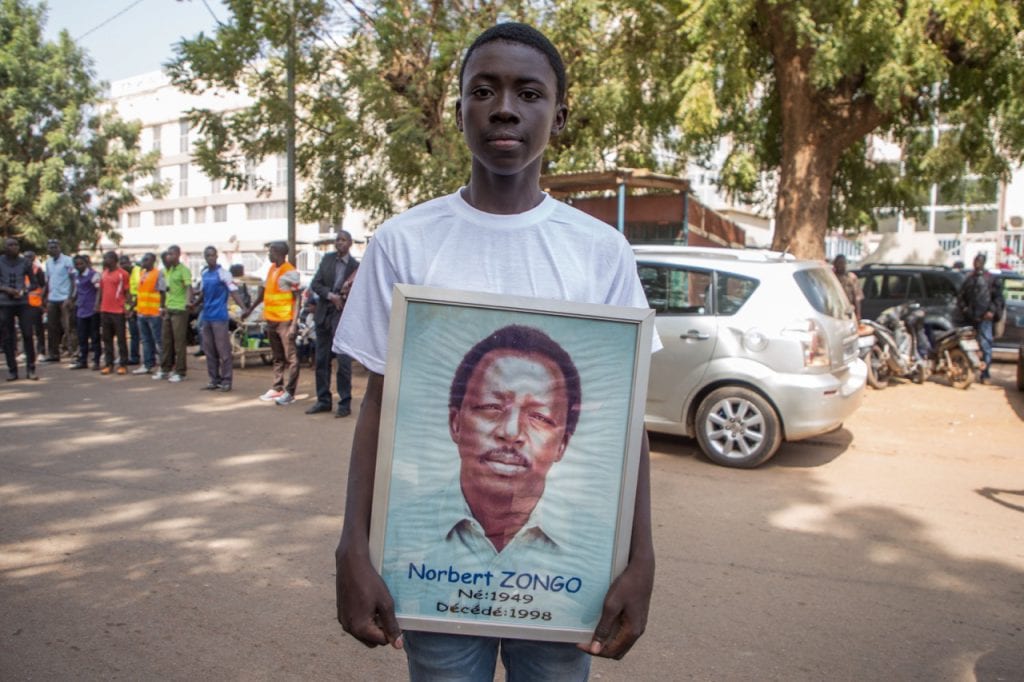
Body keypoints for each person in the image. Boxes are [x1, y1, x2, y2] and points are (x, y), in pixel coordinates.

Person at [332, 23, 657, 681]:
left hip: (568, 587)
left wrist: (641, 557)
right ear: (459, 111)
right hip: (432, 582)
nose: (504, 107)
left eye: (528, 92)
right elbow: (379, 409)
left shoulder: (600, 252)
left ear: (557, 113)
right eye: (483, 90)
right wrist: (353, 547)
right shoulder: (404, 243)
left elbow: (628, 427)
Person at [306, 231, 359, 417]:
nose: (339, 243)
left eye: (343, 240)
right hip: (323, 315)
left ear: (350, 243)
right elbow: (316, 284)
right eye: (337, 240)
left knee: (343, 362)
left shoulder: (356, 267)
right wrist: (331, 296)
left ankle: (344, 403)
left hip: (342, 318)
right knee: (321, 360)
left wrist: (343, 297)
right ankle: (323, 400)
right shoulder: (327, 260)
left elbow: (359, 293)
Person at [242, 241, 301, 405]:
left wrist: (294, 324)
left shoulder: (290, 271)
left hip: (285, 321)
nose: (269, 254)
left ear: (280, 253)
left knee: (292, 358)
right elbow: (264, 292)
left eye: (271, 251)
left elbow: (298, 298)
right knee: (277, 356)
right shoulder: (271, 269)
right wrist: (250, 308)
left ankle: (290, 392)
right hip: (271, 320)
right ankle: (277, 387)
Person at [193, 246, 246, 391]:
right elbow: (203, 293)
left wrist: (244, 308)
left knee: (223, 350)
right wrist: (194, 304)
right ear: (205, 257)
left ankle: (226, 380)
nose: (210, 258)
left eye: (212, 255)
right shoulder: (204, 274)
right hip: (207, 316)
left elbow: (234, 292)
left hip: (220, 317)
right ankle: (213, 380)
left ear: (217, 256)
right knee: (209, 350)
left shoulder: (224, 274)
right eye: (207, 256)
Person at [957, 253, 1005, 384]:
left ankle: (985, 374)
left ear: (983, 262)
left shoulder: (991, 279)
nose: (976, 263)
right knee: (965, 345)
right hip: (970, 317)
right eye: (975, 260)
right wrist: (965, 309)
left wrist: (991, 311)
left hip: (985, 318)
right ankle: (966, 371)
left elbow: (999, 299)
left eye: (979, 261)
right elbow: (961, 297)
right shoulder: (969, 279)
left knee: (985, 345)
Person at [0, 237, 37, 380]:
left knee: (28, 334)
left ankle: (31, 369)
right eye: (11, 245)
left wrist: (25, 289)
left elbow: (34, 283)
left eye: (16, 244)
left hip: (23, 303)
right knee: (8, 337)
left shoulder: (25, 262)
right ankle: (12, 370)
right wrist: (6, 289)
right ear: (5, 247)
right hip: (4, 303)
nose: (14, 247)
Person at [155, 245, 193, 383]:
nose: (168, 256)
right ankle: (165, 369)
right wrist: (162, 307)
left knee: (179, 342)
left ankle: (181, 372)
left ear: (177, 254)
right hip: (168, 309)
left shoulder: (184, 270)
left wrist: (188, 301)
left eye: (171, 254)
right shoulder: (167, 271)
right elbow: (165, 290)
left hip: (179, 309)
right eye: (167, 254)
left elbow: (189, 286)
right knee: (166, 341)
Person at [130, 253, 166, 375]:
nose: (143, 262)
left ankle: (164, 366)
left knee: (159, 340)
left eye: (146, 260)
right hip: (142, 312)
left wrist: (161, 308)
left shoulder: (158, 273)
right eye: (143, 259)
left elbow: (162, 292)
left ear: (153, 261)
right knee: (146, 340)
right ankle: (147, 364)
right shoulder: (141, 273)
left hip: (154, 312)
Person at [96, 251, 130, 375]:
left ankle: (123, 364)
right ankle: (108, 364)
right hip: (105, 310)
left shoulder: (123, 274)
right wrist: (97, 304)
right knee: (106, 339)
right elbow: (100, 290)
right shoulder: (104, 273)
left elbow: (127, 292)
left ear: (114, 259)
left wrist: (128, 307)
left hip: (118, 311)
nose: (105, 260)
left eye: (107, 258)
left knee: (121, 339)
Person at [42, 239, 76, 362]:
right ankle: (53, 354)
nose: (52, 250)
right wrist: (44, 296)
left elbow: (73, 280)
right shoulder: (48, 262)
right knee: (52, 327)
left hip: (64, 299)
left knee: (67, 326)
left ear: (59, 248)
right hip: (52, 298)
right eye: (50, 248)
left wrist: (70, 297)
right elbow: (48, 281)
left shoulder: (68, 261)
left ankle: (72, 352)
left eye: (54, 247)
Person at [69, 254, 101, 371]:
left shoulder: (93, 274)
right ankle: (83, 360)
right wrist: (72, 301)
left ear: (86, 263)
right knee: (82, 337)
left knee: (95, 336)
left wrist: (97, 305)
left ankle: (96, 361)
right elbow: (76, 290)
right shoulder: (76, 276)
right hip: (81, 310)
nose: (79, 266)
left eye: (81, 263)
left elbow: (99, 290)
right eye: (76, 264)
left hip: (92, 310)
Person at [22, 250, 47, 359]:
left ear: (34, 258)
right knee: (25, 329)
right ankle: (25, 352)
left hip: (36, 303)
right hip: (23, 303)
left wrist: (42, 301)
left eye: (30, 257)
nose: (28, 259)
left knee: (38, 329)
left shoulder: (38, 270)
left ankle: (41, 352)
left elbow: (43, 286)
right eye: (26, 256)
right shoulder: (19, 269)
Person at [121, 254, 142, 366]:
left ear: (129, 262)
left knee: (146, 335)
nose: (123, 266)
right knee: (134, 334)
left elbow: (140, 292)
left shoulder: (138, 271)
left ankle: (155, 357)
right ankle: (134, 357)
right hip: (130, 309)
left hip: (140, 307)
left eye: (125, 263)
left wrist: (133, 308)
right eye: (121, 264)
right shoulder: (123, 274)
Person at [832, 254, 863, 320]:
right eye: (839, 263)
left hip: (849, 310)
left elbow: (857, 297)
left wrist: (858, 314)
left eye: (842, 263)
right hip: (835, 311)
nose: (841, 265)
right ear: (835, 264)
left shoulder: (851, 278)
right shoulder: (831, 277)